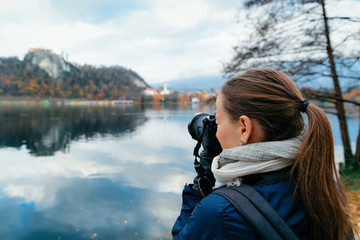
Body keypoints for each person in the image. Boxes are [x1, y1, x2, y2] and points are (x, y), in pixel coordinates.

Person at [172, 68, 355, 240]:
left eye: (218, 122)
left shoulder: (219, 212)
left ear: (244, 128)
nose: (215, 132)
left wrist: (199, 185)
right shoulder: (322, 185)